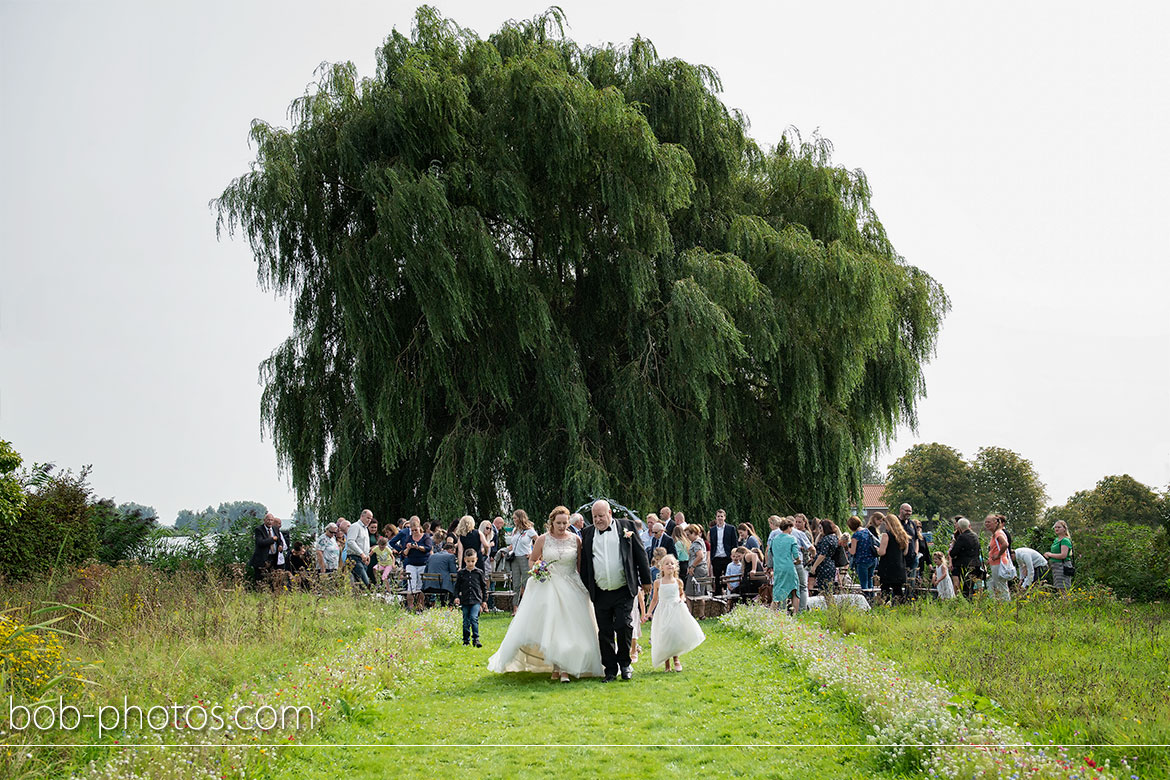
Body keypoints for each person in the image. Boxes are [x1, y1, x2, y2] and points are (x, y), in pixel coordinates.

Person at [488, 506, 605, 681]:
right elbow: (532, 560)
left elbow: (580, 565)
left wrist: (586, 586)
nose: (562, 526)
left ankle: (565, 667)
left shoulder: (576, 540)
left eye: (565, 523)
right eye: (559, 523)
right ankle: (558, 668)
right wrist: (538, 568)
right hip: (548, 585)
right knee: (554, 627)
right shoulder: (543, 539)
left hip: (571, 584)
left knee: (571, 628)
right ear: (552, 522)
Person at [578, 499, 653, 682]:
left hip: (623, 588)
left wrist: (646, 580)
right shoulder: (587, 533)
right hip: (600, 591)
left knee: (623, 625)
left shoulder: (626, 527)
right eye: (594, 516)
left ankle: (625, 664)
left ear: (610, 513)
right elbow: (585, 563)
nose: (597, 520)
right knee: (604, 631)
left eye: (601, 516)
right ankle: (610, 669)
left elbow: (640, 553)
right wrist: (589, 586)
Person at [647, 556, 705, 672]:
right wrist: (648, 612)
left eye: (672, 564)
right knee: (665, 634)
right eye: (667, 564)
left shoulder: (678, 582)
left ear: (675, 567)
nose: (670, 565)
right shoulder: (658, 582)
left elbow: (681, 594)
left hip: (675, 609)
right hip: (663, 610)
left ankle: (676, 659)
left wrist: (681, 599)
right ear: (662, 567)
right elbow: (654, 599)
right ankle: (667, 663)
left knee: (674, 633)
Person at [454, 549, 488, 647]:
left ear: (476, 560)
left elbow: (484, 587)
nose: (470, 563)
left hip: (476, 600)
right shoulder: (461, 573)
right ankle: (466, 640)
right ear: (465, 560)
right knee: (465, 621)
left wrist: (484, 600)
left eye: (472, 561)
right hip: (465, 600)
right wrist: (456, 597)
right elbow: (457, 586)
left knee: (474, 618)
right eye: (468, 561)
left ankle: (476, 639)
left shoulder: (479, 572)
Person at [506, 510, 538, 611]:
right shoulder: (514, 530)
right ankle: (515, 607)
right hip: (515, 558)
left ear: (520, 518)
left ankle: (529, 606)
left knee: (526, 582)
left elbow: (538, 540)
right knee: (516, 583)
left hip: (525, 558)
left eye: (515, 518)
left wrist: (533, 553)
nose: (514, 520)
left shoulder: (529, 530)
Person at [875, 512, 909, 603]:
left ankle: (885, 606)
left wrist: (877, 549)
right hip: (899, 566)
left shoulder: (886, 535)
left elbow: (882, 552)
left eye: (885, 524)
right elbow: (905, 552)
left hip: (887, 567)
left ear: (889, 524)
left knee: (885, 590)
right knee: (898, 590)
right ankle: (901, 608)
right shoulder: (903, 536)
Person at [769, 517, 800, 614]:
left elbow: (770, 553)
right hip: (789, 567)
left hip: (778, 568)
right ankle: (795, 614)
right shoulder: (792, 539)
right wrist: (798, 561)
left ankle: (772, 613)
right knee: (795, 590)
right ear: (789, 527)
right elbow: (796, 555)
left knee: (777, 590)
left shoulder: (774, 540)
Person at [402, 517, 433, 610]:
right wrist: (409, 548)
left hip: (422, 563)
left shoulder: (425, 537)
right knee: (411, 584)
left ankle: (420, 606)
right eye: (412, 530)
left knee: (420, 586)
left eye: (416, 530)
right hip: (411, 563)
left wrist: (418, 547)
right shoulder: (409, 538)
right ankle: (410, 606)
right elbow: (404, 553)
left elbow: (428, 548)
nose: (415, 532)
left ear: (419, 528)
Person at [948, 517, 982, 598]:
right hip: (976, 564)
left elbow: (953, 553)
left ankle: (968, 605)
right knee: (972, 587)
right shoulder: (975, 535)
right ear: (969, 525)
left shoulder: (962, 537)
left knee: (966, 589)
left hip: (965, 565)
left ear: (959, 527)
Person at [984, 514, 1013, 601]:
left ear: (995, 522)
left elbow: (1005, 544)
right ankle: (1001, 603)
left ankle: (1006, 605)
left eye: (989, 522)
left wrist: (998, 555)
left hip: (999, 563)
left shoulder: (998, 533)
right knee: (997, 584)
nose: (987, 524)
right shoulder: (997, 533)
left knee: (1001, 586)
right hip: (997, 562)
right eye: (986, 522)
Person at [709, 509, 737, 596]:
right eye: (718, 516)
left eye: (721, 516)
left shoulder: (731, 529)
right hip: (717, 557)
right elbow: (712, 545)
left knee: (727, 577)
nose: (720, 518)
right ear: (716, 518)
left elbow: (734, 543)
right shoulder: (712, 530)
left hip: (727, 557)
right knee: (717, 579)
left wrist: (734, 555)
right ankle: (717, 597)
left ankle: (728, 594)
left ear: (724, 517)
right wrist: (711, 558)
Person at [848, 515, 878, 592]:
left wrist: (848, 547)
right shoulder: (867, 531)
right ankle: (872, 599)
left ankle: (866, 599)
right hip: (872, 560)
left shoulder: (856, 535)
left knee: (864, 584)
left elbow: (853, 551)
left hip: (862, 561)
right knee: (870, 581)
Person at [792, 514, 815, 612]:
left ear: (804, 522)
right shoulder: (794, 533)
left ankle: (803, 608)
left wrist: (802, 548)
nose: (797, 524)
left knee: (803, 585)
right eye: (796, 522)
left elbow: (809, 548)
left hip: (804, 562)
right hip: (798, 562)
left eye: (799, 522)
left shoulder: (805, 533)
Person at [809, 520, 839, 596]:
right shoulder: (833, 537)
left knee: (825, 590)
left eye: (820, 527)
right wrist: (820, 534)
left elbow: (822, 555)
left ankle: (829, 606)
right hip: (830, 564)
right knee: (828, 589)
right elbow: (816, 544)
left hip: (824, 566)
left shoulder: (826, 539)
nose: (819, 529)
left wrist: (814, 567)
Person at [249, 513, 280, 584]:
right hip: (262, 559)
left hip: (273, 557)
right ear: (264, 520)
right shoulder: (259, 529)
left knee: (272, 579)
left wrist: (280, 546)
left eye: (271, 520)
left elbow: (279, 540)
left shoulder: (275, 529)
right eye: (268, 520)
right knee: (260, 580)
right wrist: (272, 539)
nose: (270, 522)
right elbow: (260, 542)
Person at [346, 509, 373, 587]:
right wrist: (361, 553)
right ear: (362, 516)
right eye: (368, 518)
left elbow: (365, 544)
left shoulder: (365, 529)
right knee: (365, 582)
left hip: (363, 559)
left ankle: (360, 598)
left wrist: (367, 555)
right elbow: (350, 541)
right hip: (354, 557)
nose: (369, 520)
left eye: (370, 518)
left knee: (360, 584)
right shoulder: (355, 526)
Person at [1045, 520, 1074, 591]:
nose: (1057, 529)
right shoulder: (1056, 540)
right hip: (1055, 566)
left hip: (1062, 566)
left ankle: (1066, 601)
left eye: (1059, 527)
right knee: (1058, 588)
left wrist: (1050, 554)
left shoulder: (1065, 540)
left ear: (1064, 529)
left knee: (1063, 588)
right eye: (1055, 527)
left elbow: (1063, 555)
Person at [898, 503, 921, 585]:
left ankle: (910, 596)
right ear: (901, 510)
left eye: (910, 511)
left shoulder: (912, 524)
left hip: (913, 557)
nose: (908, 513)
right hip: (900, 557)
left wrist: (916, 552)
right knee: (900, 580)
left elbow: (916, 539)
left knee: (911, 581)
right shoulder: (897, 523)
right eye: (906, 511)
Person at [684, 524, 709, 596]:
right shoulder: (701, 541)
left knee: (691, 594)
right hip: (701, 568)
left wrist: (693, 566)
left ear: (694, 533)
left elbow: (700, 556)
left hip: (697, 569)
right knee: (699, 593)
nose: (687, 537)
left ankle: (692, 608)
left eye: (688, 535)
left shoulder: (696, 543)